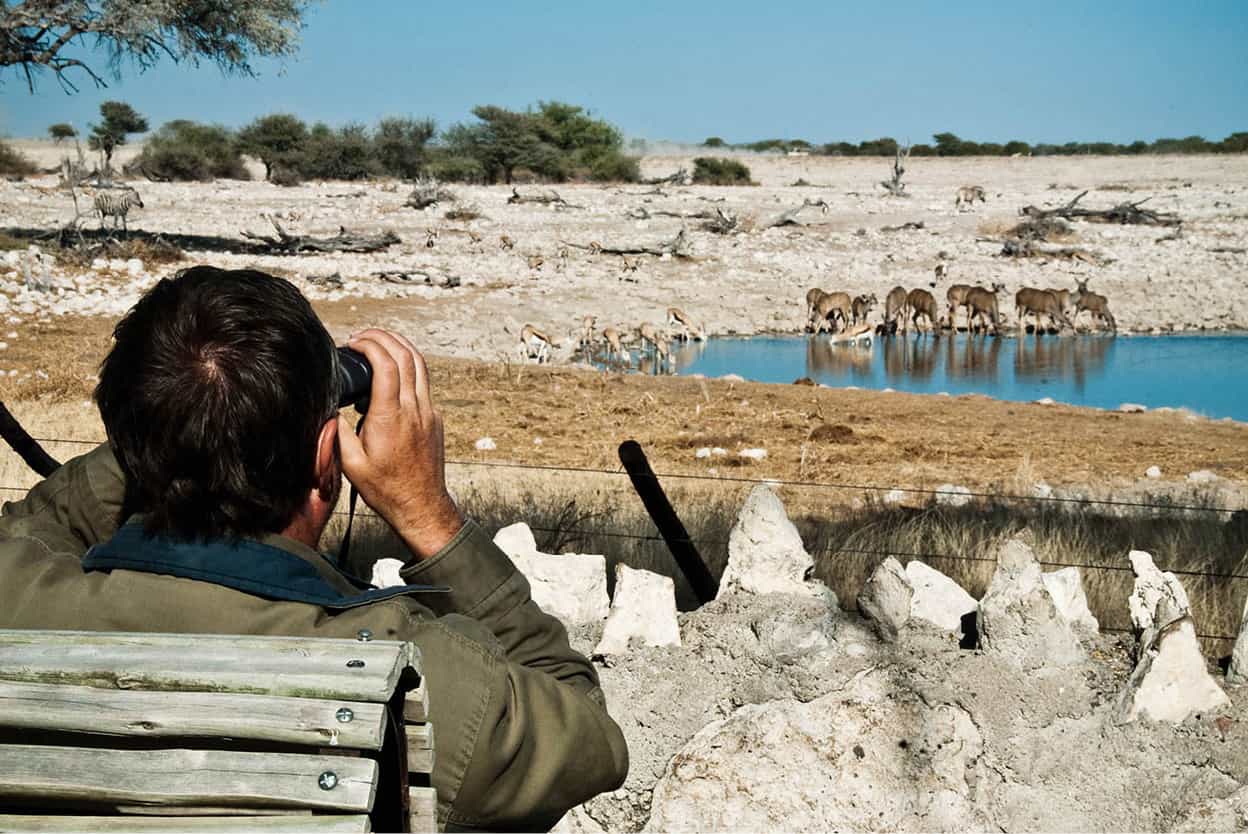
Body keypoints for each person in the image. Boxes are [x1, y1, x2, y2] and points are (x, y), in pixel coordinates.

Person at [0, 266, 628, 830]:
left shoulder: (16, 590)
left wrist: (182, 422)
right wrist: (428, 515)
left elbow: (44, 518)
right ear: (327, 458)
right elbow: (586, 727)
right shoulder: (426, 681)